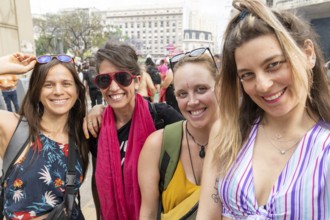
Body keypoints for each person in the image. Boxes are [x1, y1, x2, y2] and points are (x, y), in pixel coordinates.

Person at [197, 0, 330, 219]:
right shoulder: (227, 133)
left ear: (308, 54)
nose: (263, 85)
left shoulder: (324, 149)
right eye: (247, 74)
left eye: (274, 64)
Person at [83, 43, 183, 220]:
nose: (113, 88)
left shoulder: (162, 117)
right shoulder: (96, 127)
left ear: (136, 81)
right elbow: (97, 183)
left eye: (122, 78)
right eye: (105, 80)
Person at [0, 53, 89, 219]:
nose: (58, 91)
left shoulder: (84, 133)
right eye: (48, 85)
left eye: (66, 83)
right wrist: (3, 66)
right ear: (36, 90)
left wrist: (98, 110)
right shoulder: (14, 127)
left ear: (77, 90)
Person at [138, 48, 219, 219]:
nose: (192, 101)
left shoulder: (245, 141)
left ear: (220, 87)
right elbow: (148, 212)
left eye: (201, 89)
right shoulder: (158, 144)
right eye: (183, 94)